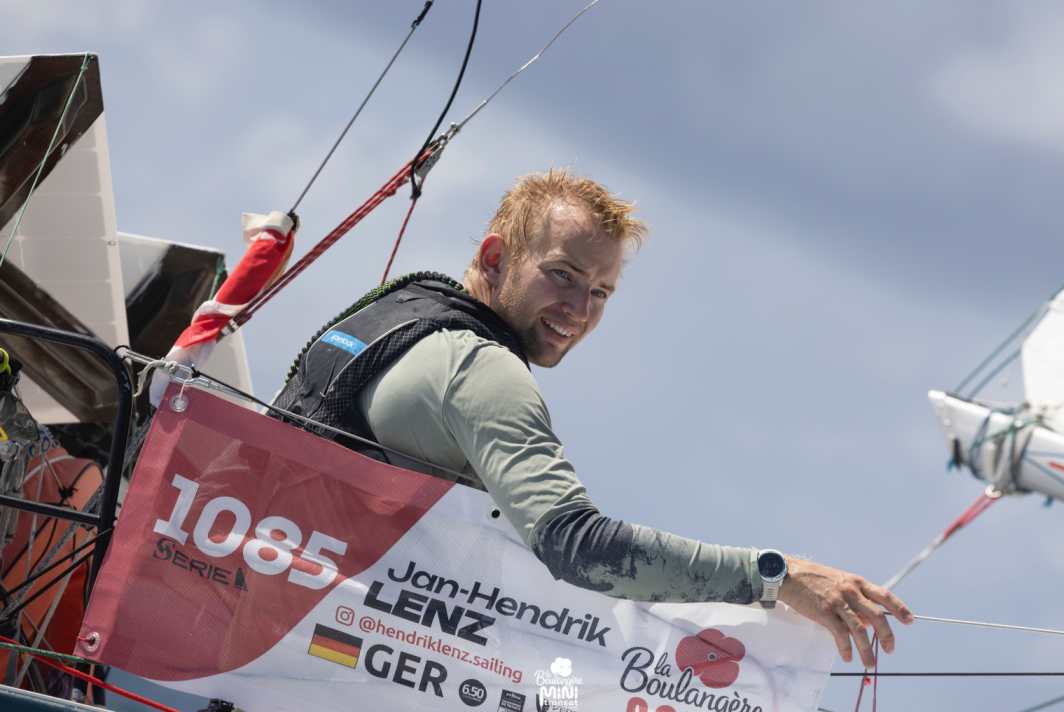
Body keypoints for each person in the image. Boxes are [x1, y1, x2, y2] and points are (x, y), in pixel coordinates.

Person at [273, 169, 912, 669]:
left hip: (263, 631)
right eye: (563, 275)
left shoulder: (390, 315)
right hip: (313, 651)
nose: (579, 310)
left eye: (600, 292)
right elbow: (578, 547)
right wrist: (775, 576)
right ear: (495, 259)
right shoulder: (482, 369)